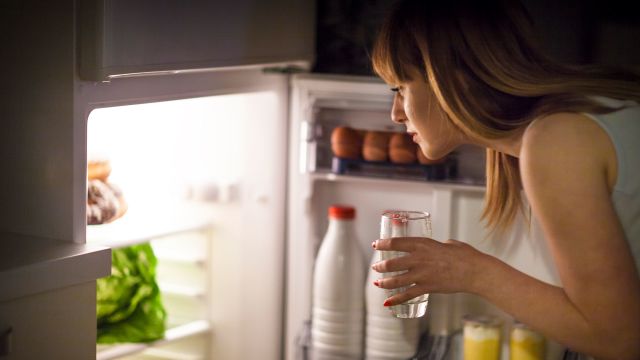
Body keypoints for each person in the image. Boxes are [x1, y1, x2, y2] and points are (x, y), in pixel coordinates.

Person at [368, 0, 640, 359]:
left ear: (452, 78)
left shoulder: (557, 141)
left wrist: (473, 272)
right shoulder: (567, 121)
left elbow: (618, 338)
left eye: (400, 88)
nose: (396, 113)